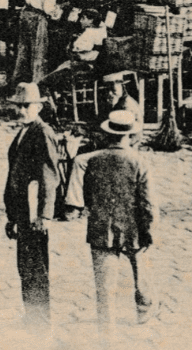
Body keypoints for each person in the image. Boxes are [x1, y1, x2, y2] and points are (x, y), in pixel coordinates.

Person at [83, 109, 159, 335]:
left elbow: (88, 195)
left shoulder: (94, 160)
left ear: (108, 133)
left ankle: (107, 332)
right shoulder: (139, 162)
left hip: (101, 229)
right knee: (141, 270)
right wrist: (150, 231)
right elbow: (148, 203)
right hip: (133, 228)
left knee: (104, 286)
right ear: (130, 135)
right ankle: (144, 307)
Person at [3, 82, 62, 328]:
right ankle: (32, 315)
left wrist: (44, 215)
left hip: (34, 213)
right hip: (22, 211)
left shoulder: (42, 132)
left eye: (26, 106)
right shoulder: (25, 130)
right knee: (25, 266)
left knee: (35, 267)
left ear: (38, 106)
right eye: (18, 106)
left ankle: (40, 319)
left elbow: (50, 175)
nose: (21, 110)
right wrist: (12, 216)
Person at [62, 72, 144, 215]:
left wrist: (90, 136)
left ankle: (74, 205)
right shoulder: (117, 101)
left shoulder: (126, 107)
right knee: (80, 151)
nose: (110, 92)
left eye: (114, 88)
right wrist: (82, 129)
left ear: (122, 86)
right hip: (112, 144)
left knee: (79, 160)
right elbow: (102, 125)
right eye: (108, 88)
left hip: (122, 148)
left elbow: (118, 136)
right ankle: (84, 199)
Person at [15, 0, 62, 85]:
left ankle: (18, 80)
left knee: (23, 49)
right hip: (36, 17)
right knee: (38, 51)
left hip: (25, 14)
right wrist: (57, 11)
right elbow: (47, 8)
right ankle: (37, 83)